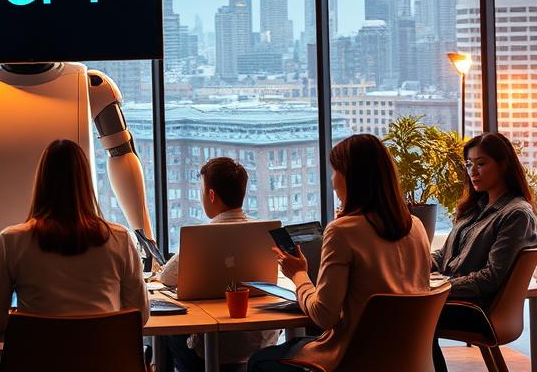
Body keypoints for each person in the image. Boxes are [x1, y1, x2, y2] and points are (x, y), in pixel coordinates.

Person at [248, 134, 431, 372]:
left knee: (260, 361)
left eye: (336, 172)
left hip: (355, 359)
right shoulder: (415, 225)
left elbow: (324, 316)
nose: (333, 181)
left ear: (352, 178)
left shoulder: (342, 232)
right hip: (408, 356)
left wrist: (299, 275)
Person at [0, 138, 148, 368]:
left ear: (40, 183)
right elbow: (140, 316)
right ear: (86, 182)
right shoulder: (120, 239)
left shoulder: (11, 241)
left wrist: (29, 322)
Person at [157, 157, 279, 372]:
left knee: (168, 333)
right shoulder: (264, 232)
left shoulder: (200, 236)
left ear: (211, 195)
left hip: (210, 351)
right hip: (261, 345)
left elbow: (166, 277)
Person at [431, 132, 537, 372]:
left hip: (478, 308)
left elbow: (490, 278)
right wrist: (422, 264)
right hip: (457, 298)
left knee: (411, 317)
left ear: (503, 165)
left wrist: (440, 287)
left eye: (481, 164)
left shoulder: (516, 214)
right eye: (469, 164)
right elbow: (445, 255)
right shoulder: (474, 209)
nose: (472, 171)